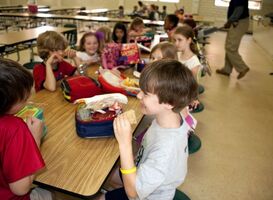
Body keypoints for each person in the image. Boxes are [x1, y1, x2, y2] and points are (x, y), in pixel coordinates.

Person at [98, 59, 198, 200]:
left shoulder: (166, 150)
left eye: (145, 94)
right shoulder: (173, 116)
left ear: (169, 102)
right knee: (104, 175)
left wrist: (125, 144)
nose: (139, 95)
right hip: (143, 172)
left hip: (146, 196)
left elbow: (133, 194)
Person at [0, 58, 52, 200]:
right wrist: (35, 137)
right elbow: (20, 189)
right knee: (51, 192)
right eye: (24, 98)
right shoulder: (14, 127)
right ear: (7, 100)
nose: (28, 99)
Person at [216, 0, 250, 79]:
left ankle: (242, 68)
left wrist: (230, 21)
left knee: (230, 48)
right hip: (236, 22)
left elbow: (239, 10)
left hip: (239, 23)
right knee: (229, 46)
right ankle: (227, 70)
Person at [173, 25, 202, 110]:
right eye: (175, 40)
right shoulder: (177, 54)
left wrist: (193, 99)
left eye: (180, 40)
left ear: (189, 40)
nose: (176, 43)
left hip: (183, 96)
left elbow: (193, 86)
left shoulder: (194, 62)